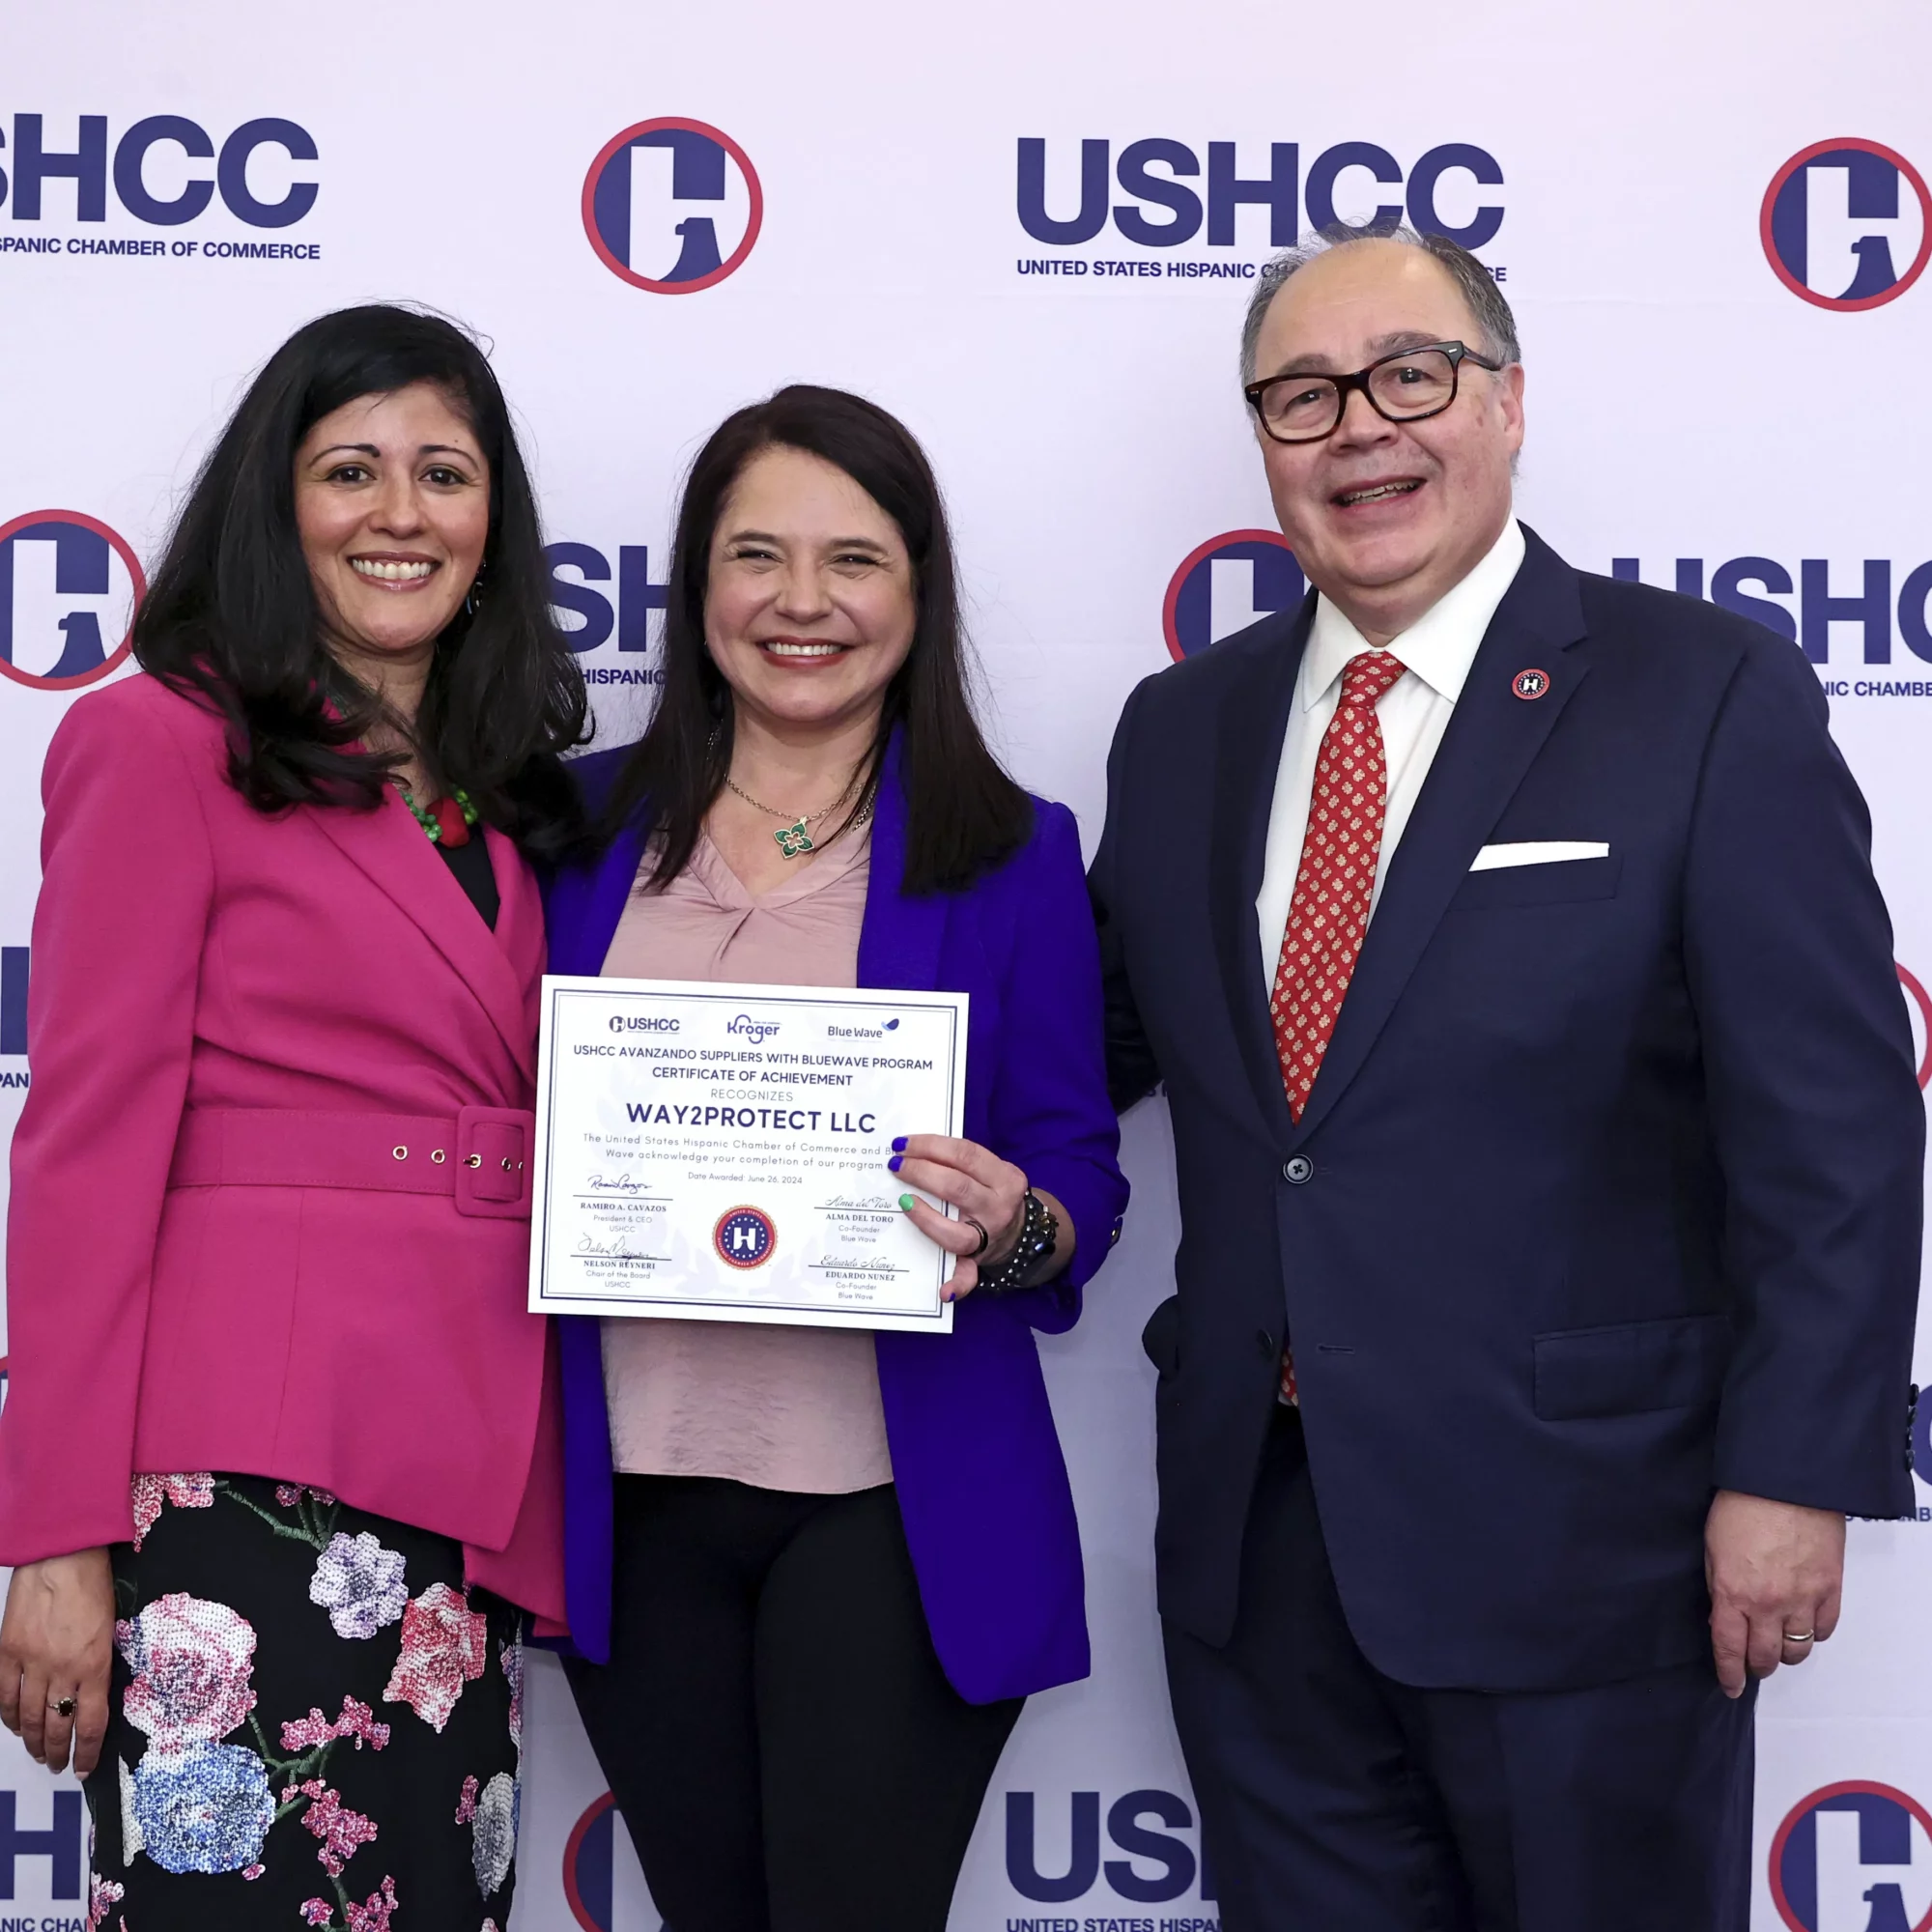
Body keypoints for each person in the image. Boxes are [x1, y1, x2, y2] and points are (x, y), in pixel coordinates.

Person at [1090, 223, 1922, 1930]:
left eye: (1413, 375)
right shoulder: (1182, 729)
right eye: (1303, 395)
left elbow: (1833, 1132)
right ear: (1262, 441)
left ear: (1510, 401)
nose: (1359, 429)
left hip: (1592, 1558)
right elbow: (1094, 1048)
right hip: (1262, 1555)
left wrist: (1796, 1473)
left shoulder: (1702, 693)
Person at [0, 304, 587, 1929]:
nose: (403, 513)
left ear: (493, 522)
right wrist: (50, 1536)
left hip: (464, 1477)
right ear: (278, 501)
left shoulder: (506, 787)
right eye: (352, 469)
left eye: (445, 474)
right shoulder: (155, 739)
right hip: (232, 1503)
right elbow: (81, 1155)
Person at [545, 384, 1127, 1932]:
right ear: (698, 587)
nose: (803, 603)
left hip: (893, 1506)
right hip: (629, 1501)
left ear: (917, 594)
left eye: (854, 561)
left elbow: (1077, 1158)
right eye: (758, 556)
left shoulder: (1010, 850)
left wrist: (1018, 1225)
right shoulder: (568, 827)